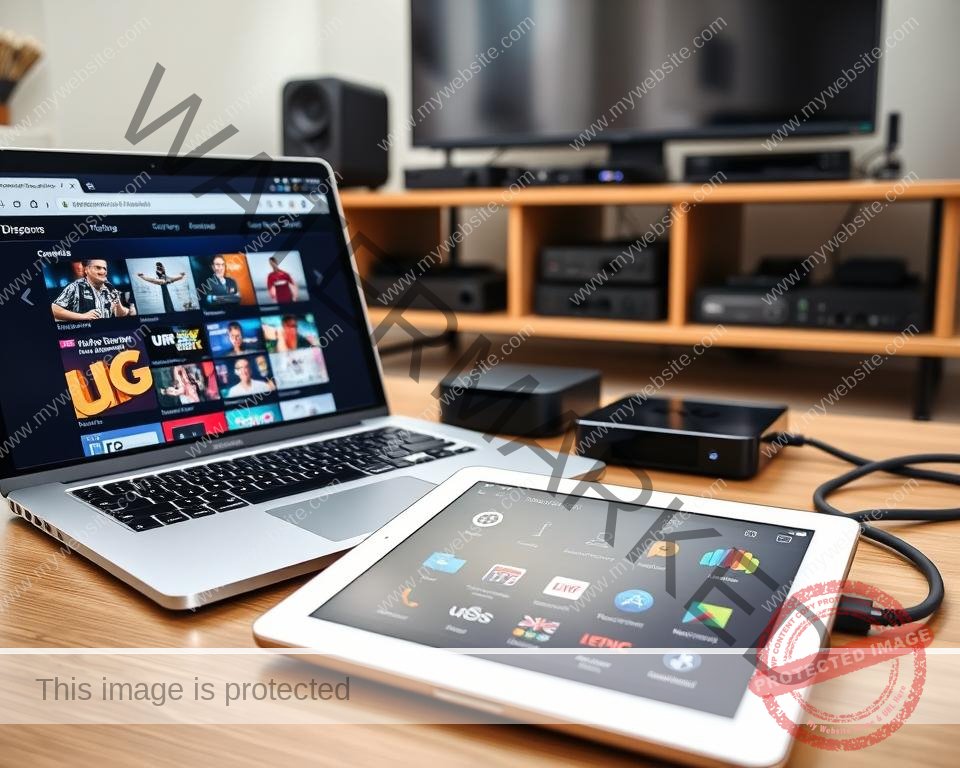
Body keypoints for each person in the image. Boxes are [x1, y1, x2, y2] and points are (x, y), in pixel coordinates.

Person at [51, 259, 133, 322]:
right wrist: (84, 316)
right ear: (86, 270)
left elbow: (120, 314)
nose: (103, 271)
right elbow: (54, 310)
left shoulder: (110, 288)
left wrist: (119, 305)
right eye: (98, 268)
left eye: (105, 268)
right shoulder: (75, 287)